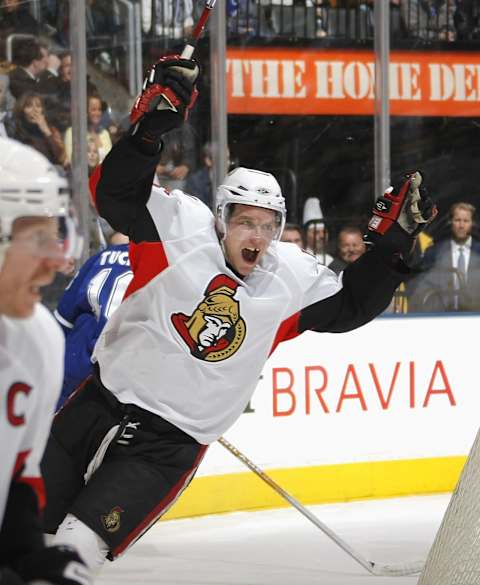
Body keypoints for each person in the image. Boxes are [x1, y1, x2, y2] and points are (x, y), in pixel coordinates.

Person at [40, 54, 436, 574]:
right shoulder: (179, 227)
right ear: (221, 217)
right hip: (95, 404)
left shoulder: (288, 276)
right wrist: (148, 131)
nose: (256, 235)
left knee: (72, 553)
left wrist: (391, 249)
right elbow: (111, 193)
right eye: (245, 221)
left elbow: (351, 306)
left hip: (165, 449)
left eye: (268, 224)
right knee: (19, 533)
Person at [0, 136, 90, 585]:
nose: (54, 263)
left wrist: (29, 557)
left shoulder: (38, 340)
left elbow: (17, 479)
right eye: (38, 240)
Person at [54, 232, 132, 410]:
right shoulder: (160, 266)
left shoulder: (98, 259)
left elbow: (63, 319)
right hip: (121, 378)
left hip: (77, 365)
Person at [409, 202, 480, 312]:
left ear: (472, 223)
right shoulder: (434, 252)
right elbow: (420, 284)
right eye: (457, 220)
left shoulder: (478, 252)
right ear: (451, 222)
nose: (461, 225)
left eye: (466, 221)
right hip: (442, 316)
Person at [7, 91, 66, 166]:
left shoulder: (51, 130)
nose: (35, 110)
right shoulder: (15, 129)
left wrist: (47, 132)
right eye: (29, 106)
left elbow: (61, 158)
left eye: (38, 106)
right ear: (22, 110)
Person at [64, 94, 113, 167]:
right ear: (85, 111)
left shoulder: (104, 133)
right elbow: (72, 161)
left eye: (99, 109)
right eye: (93, 110)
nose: (97, 113)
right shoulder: (72, 133)